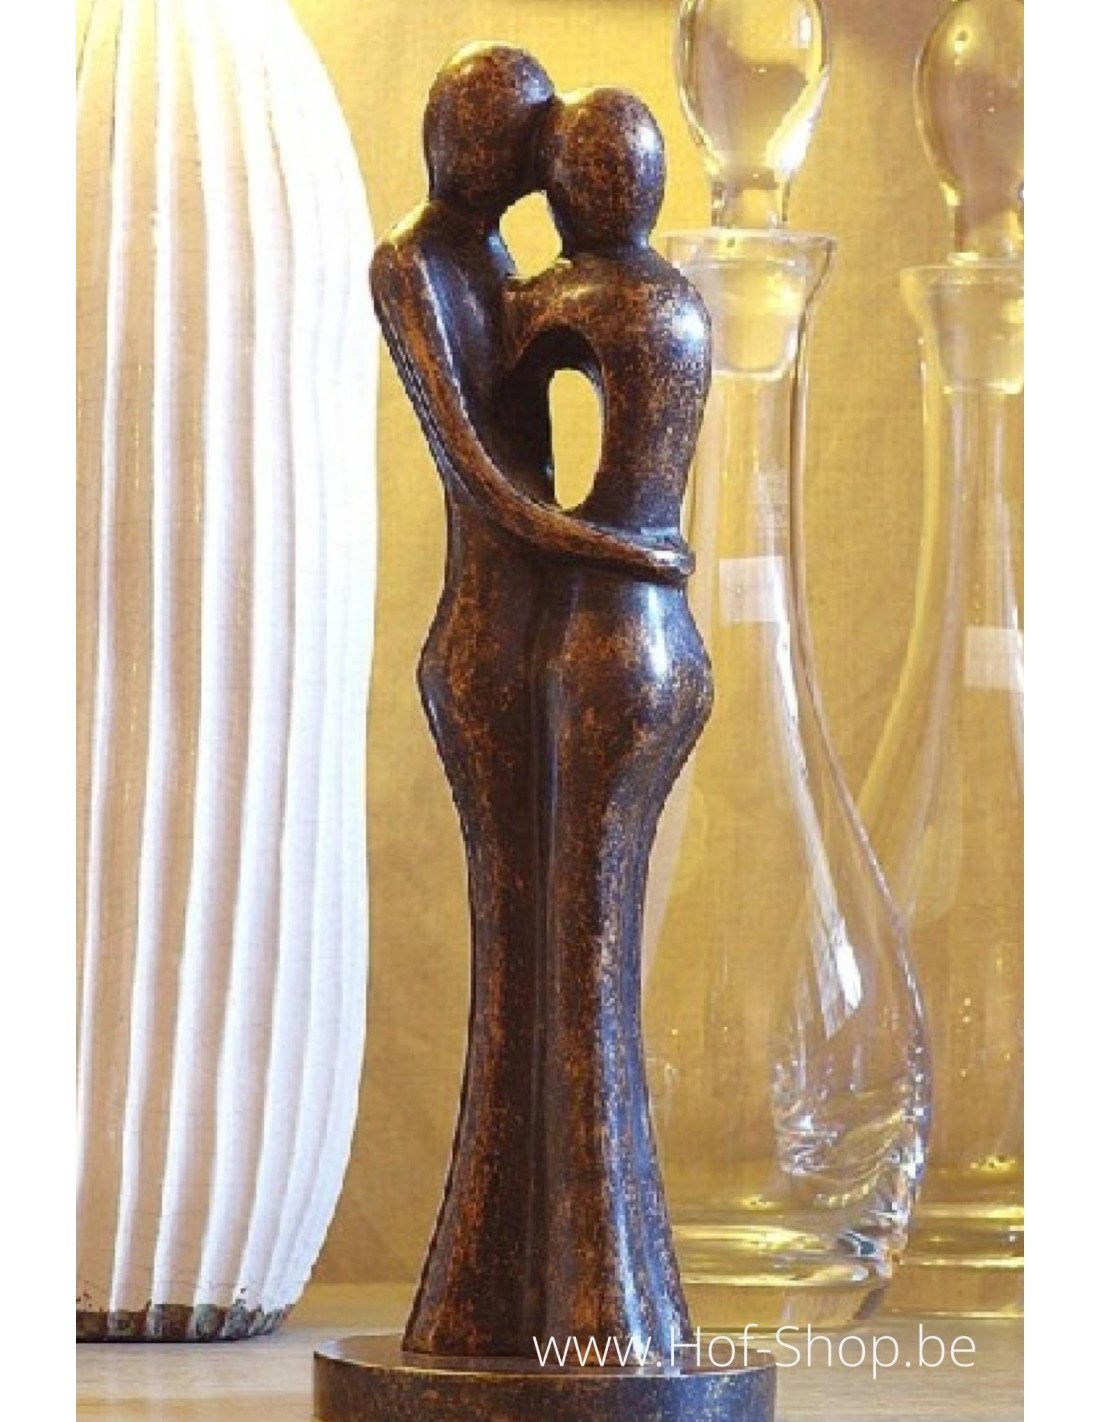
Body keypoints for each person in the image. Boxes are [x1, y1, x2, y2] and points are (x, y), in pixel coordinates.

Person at [370, 44, 687, 1359]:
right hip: (495, 645)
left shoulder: (533, 283)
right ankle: (512, 1298)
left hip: (555, 643)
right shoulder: (425, 267)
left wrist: (610, 555)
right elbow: (479, 469)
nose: (523, 164)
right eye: (512, 136)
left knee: (570, 965)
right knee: (534, 967)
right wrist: (622, 551)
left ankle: (591, 1306)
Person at [505, 87, 714, 1349]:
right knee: (600, 946)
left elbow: (494, 413)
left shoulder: (560, 301)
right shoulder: (679, 300)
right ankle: (632, 1298)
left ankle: (601, 1311)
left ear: (578, 186)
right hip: (673, 644)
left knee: (580, 955)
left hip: (599, 642)